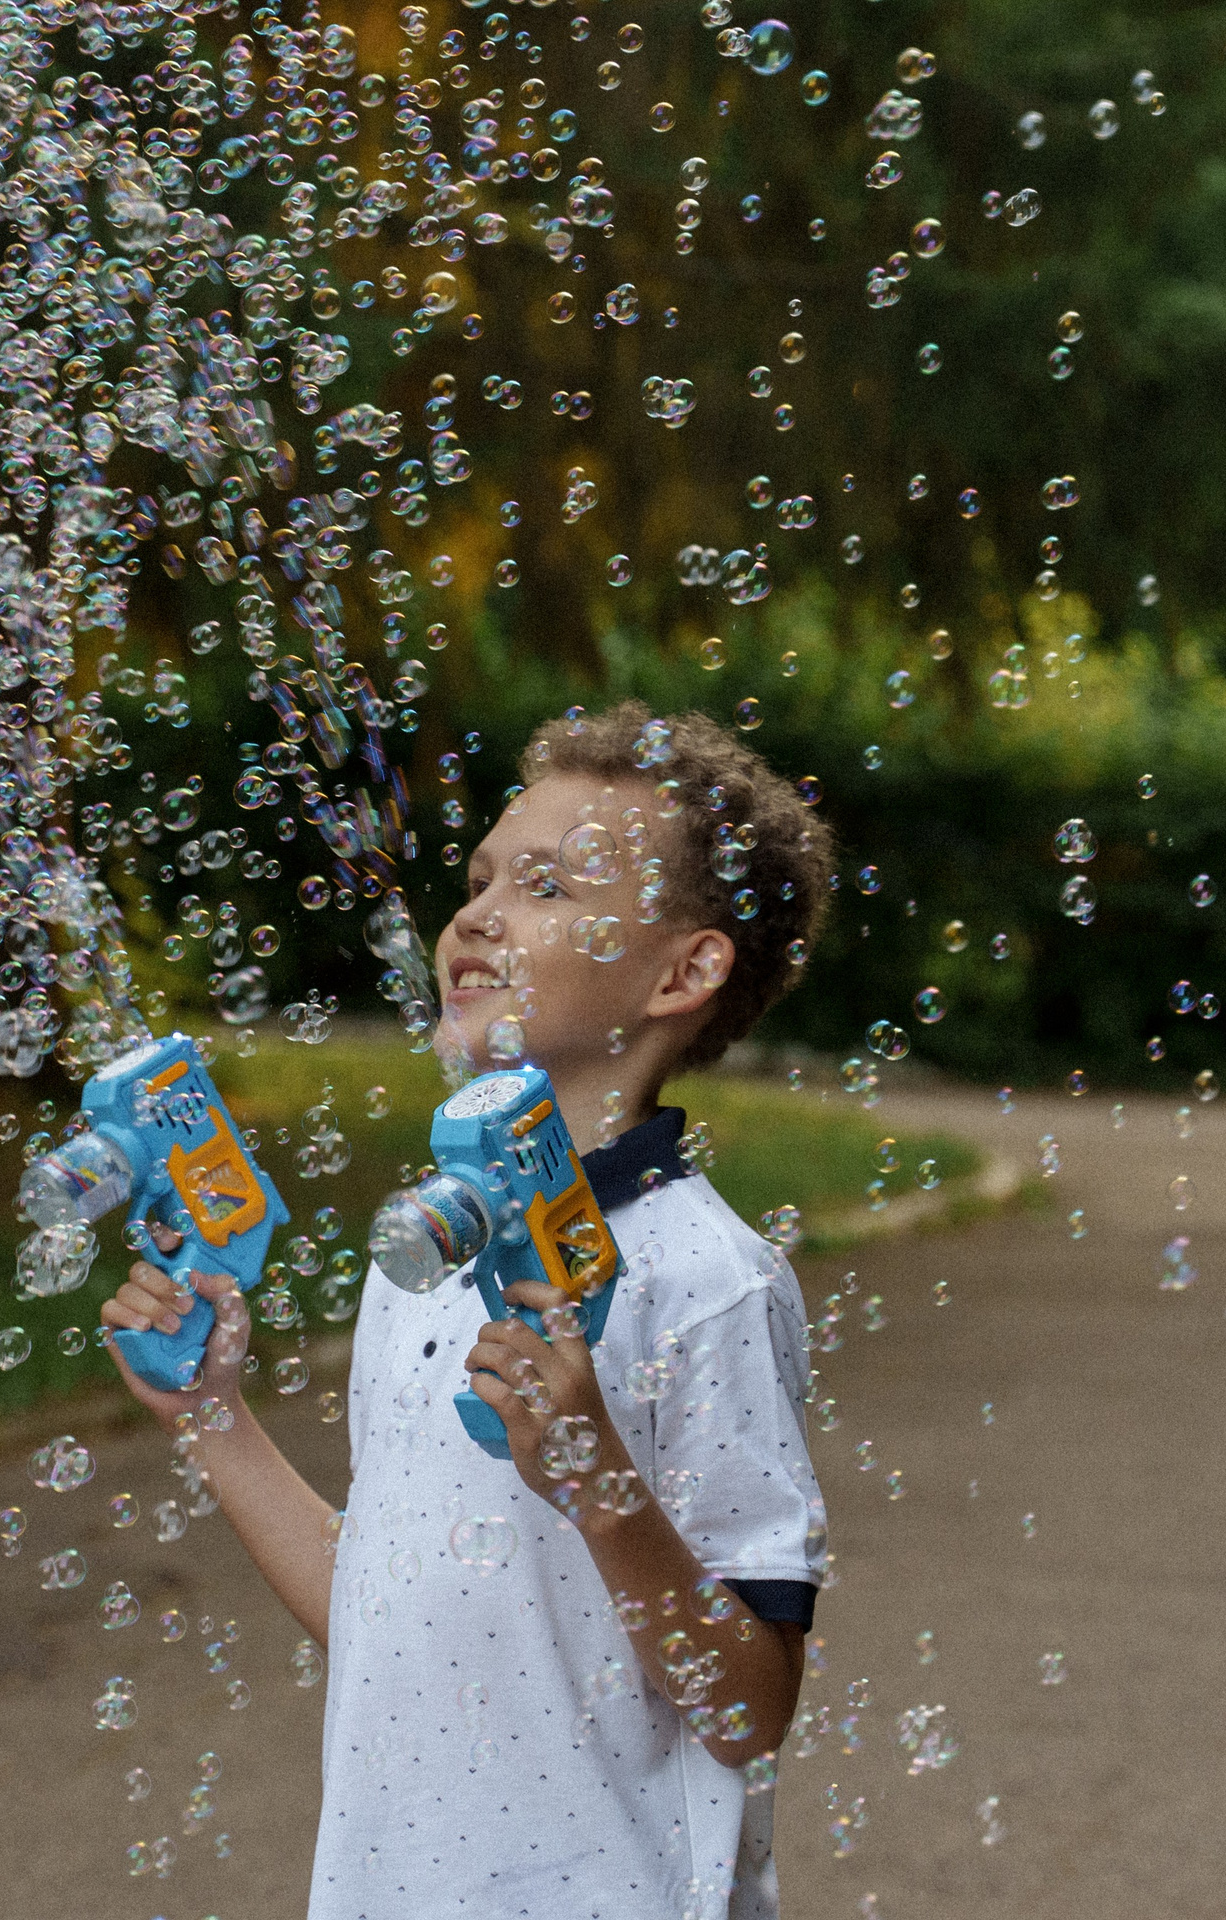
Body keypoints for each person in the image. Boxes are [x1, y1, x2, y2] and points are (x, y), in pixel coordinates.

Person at [102, 702, 836, 1920]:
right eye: (482, 876)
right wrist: (210, 1418)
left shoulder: (706, 1282)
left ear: (683, 971)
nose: (478, 914)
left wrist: (595, 1478)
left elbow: (748, 1707)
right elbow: (385, 1610)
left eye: (546, 886)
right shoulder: (431, 1251)